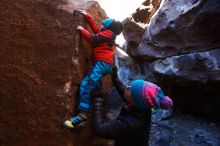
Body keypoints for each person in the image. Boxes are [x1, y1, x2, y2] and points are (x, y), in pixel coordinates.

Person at [64, 10, 123, 129]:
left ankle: (82, 116)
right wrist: (87, 15)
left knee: (86, 84)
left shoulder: (108, 33)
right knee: (96, 87)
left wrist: (82, 30)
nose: (100, 26)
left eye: (103, 25)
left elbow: (93, 39)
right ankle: (95, 101)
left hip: (101, 63)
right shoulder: (107, 33)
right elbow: (96, 29)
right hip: (102, 64)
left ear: (108, 27)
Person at [90, 67, 173, 146]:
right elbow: (126, 93)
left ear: (135, 102)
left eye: (131, 90)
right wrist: (115, 78)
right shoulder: (143, 106)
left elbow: (99, 130)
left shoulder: (131, 123)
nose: (128, 87)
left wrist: (97, 100)